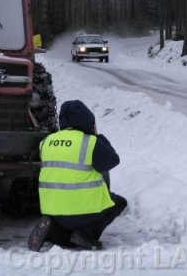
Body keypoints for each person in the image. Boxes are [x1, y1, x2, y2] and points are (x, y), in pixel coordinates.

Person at [28, 100, 127, 251]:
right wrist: (98, 137)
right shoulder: (90, 142)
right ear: (87, 121)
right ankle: (85, 234)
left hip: (53, 210)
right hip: (84, 212)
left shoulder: (46, 142)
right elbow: (112, 161)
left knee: (67, 227)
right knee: (119, 202)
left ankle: (52, 230)